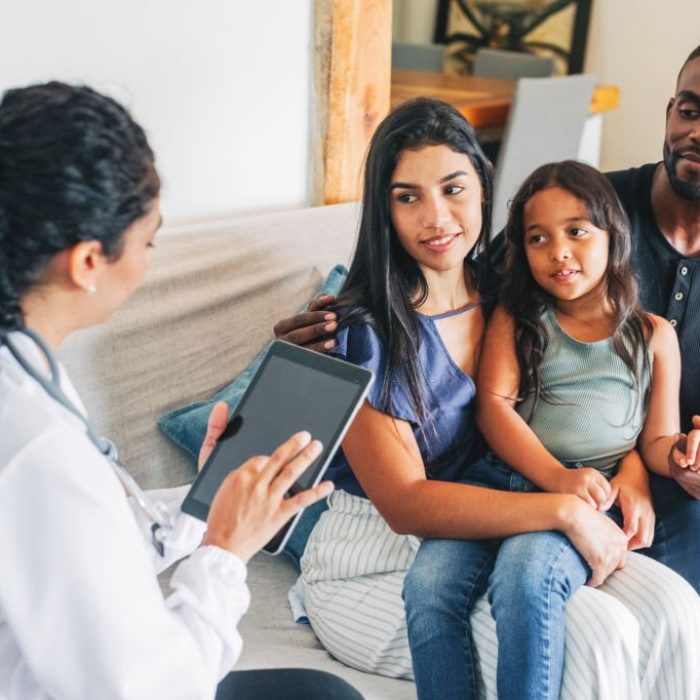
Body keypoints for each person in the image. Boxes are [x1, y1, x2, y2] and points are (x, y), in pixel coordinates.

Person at [290, 97, 700, 699]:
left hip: (508, 516)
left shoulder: (516, 294)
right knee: (597, 635)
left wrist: (634, 466)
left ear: (484, 188)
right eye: (408, 197)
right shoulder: (366, 332)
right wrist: (564, 509)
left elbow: (593, 402)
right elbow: (406, 504)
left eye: (453, 188)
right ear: (384, 210)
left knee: (675, 606)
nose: (436, 218)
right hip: (379, 553)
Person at [0, 82, 364, 700]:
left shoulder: (26, 370)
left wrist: (201, 504)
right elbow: (156, 687)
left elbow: (88, 550)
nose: (147, 261)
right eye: (147, 241)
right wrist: (226, 550)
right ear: (88, 262)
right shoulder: (39, 454)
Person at [405, 159, 700, 700]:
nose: (557, 251)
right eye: (538, 238)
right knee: (427, 586)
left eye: (576, 232)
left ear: (615, 236)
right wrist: (554, 476)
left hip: (594, 494)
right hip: (501, 478)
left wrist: (682, 457)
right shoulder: (520, 316)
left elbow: (655, 440)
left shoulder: (654, 335)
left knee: (525, 578)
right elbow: (493, 407)